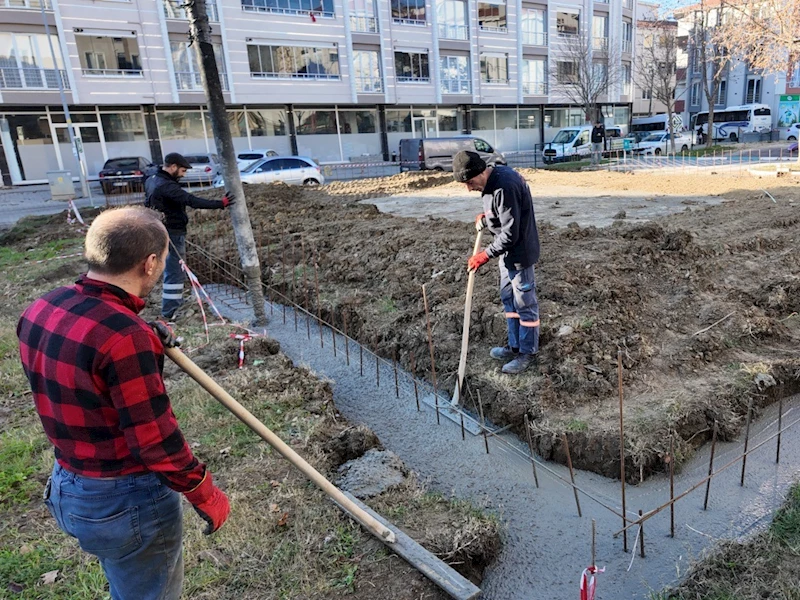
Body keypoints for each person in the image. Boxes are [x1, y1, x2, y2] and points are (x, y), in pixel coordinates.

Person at [17, 206, 230, 600]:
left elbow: (83, 370)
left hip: (68, 487)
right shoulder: (124, 338)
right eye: (164, 260)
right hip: (124, 503)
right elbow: (155, 440)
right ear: (150, 263)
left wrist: (143, 331)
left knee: (127, 581)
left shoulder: (42, 308)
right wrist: (203, 491)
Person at [454, 151, 540, 374]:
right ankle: (514, 346)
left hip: (519, 253)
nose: (469, 188)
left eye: (470, 182)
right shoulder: (491, 183)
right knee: (508, 299)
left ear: (482, 172)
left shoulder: (505, 185)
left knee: (525, 305)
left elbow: (510, 233)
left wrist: (485, 254)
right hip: (506, 254)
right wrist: (487, 218)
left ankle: (527, 353)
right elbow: (500, 211)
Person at [145, 152, 235, 320]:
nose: (184, 174)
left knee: (172, 269)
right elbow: (191, 200)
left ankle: (172, 305)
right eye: (183, 171)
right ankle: (170, 312)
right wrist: (220, 204)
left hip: (159, 230)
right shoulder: (167, 186)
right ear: (173, 167)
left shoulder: (152, 180)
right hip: (172, 232)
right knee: (175, 271)